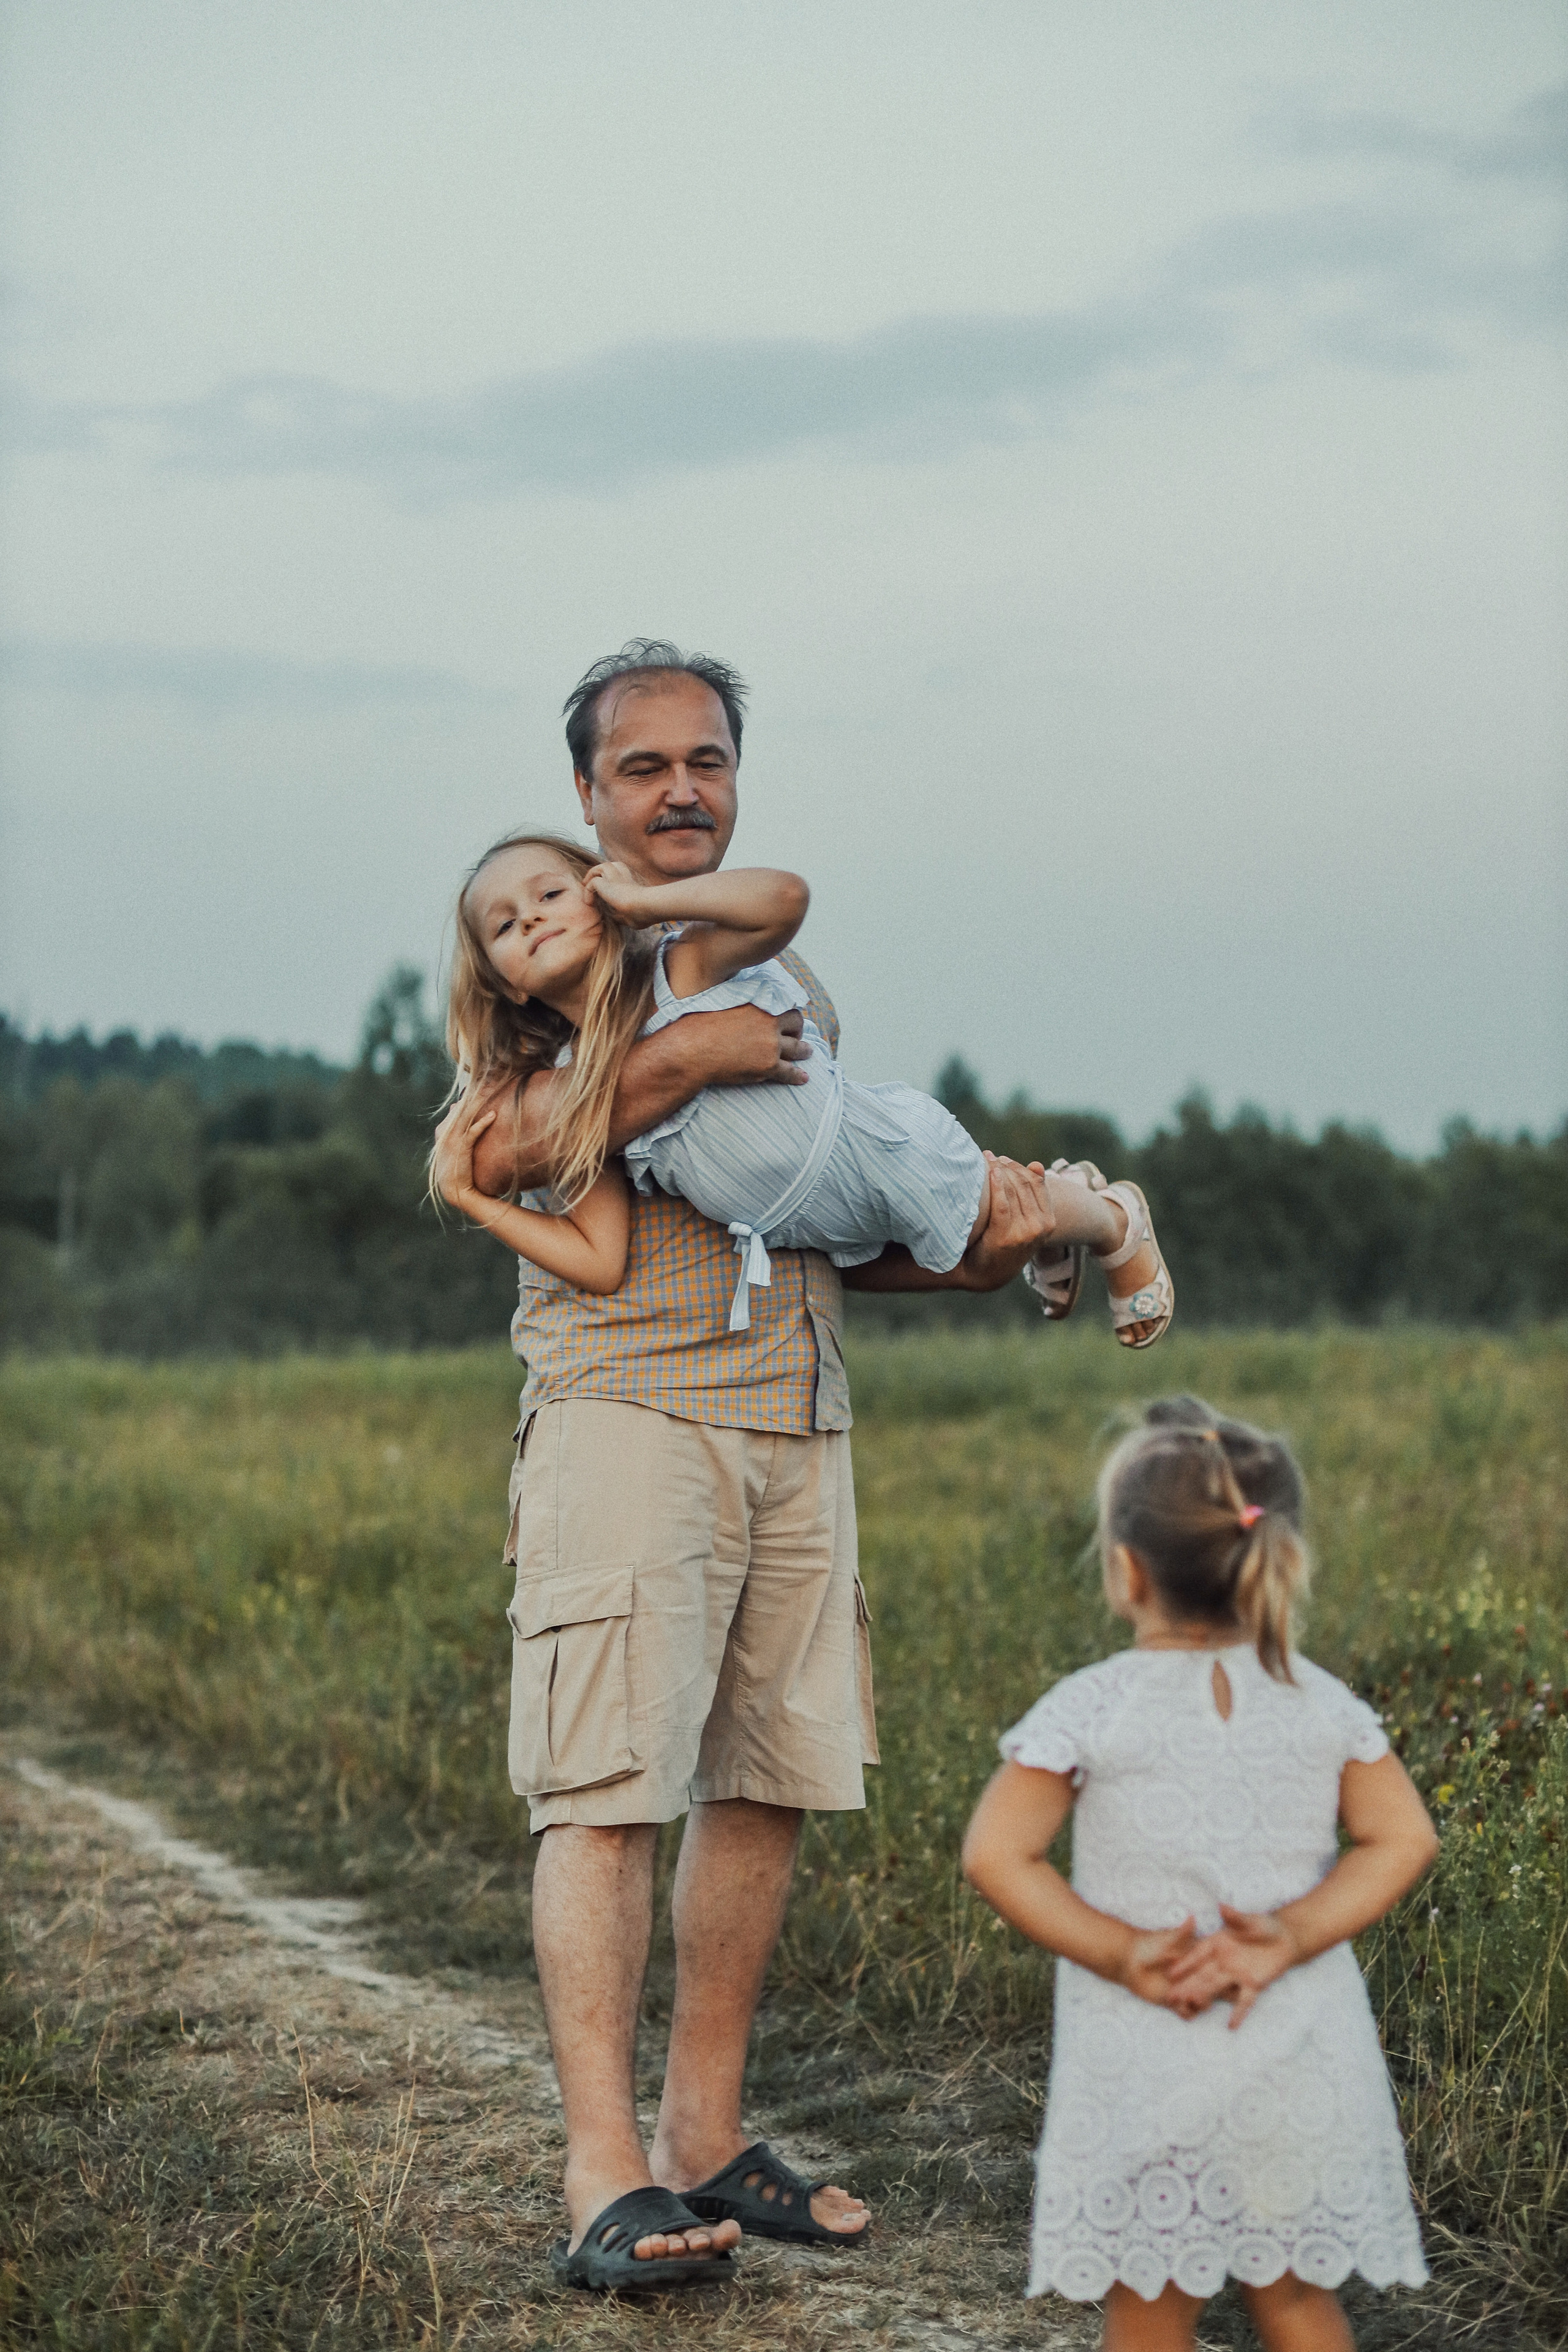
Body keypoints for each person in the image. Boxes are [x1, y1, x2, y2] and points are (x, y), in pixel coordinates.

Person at [441, 641, 1077, 2293]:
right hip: (632, 1420)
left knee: (771, 1782)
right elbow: (503, 1145)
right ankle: (606, 2181)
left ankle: (706, 2135)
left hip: (798, 1416)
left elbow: (833, 1216)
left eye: (705, 760)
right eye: (642, 766)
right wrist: (671, 1064)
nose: (679, 790)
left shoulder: (765, 974)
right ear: (588, 795)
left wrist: (985, 1241)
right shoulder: (554, 961)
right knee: (607, 1791)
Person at [962, 1396, 1437, 2351]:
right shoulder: (1321, 1702)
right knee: (1299, 2301)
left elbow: (996, 1854)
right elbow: (1403, 1839)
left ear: (1126, 1569)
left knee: (1149, 2308)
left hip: (1147, 2060)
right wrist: (1294, 1934)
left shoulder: (1091, 1708)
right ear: (1272, 1558)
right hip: (1296, 2053)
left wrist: (1125, 1950)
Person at [431, 834, 1172, 1343]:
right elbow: (599, 1259)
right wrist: (472, 1200)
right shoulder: (586, 1092)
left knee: (985, 1202)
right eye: (503, 924)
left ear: (599, 894)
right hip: (809, 1230)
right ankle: (1065, 1215)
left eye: (551, 893)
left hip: (880, 1154)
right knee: (986, 1235)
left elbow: (783, 900)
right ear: (501, 982)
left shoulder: (677, 972)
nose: (530, 917)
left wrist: (647, 905)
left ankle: (1112, 1220)